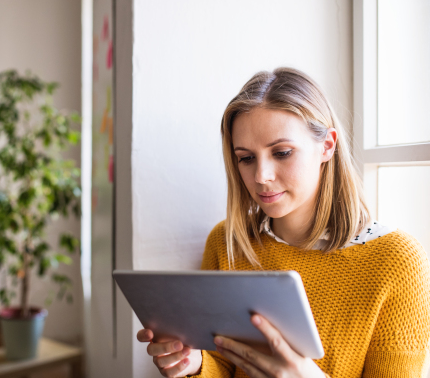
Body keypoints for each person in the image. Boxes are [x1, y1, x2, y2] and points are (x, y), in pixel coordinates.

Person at [137, 67, 430, 377]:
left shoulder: (397, 262)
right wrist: (194, 365)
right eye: (246, 158)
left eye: (282, 152)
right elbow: (223, 364)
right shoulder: (227, 243)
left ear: (327, 146)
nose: (261, 176)